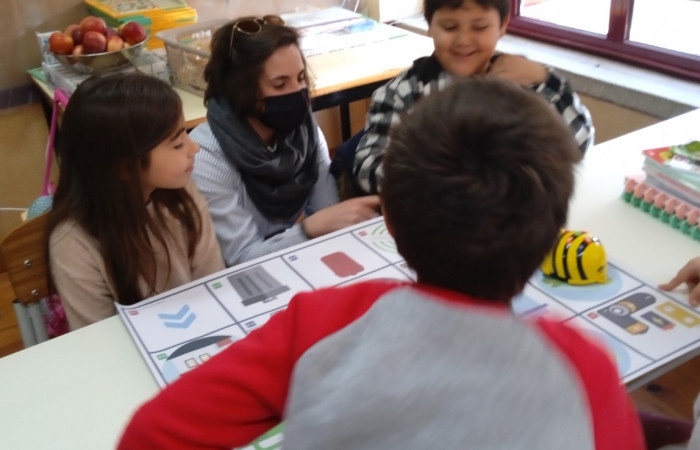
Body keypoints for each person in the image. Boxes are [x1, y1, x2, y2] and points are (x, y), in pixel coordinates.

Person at [118, 78, 642, 449]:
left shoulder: (325, 322)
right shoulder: (584, 368)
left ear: (388, 219)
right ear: (551, 238)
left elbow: (149, 436)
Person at [190, 15, 381, 266]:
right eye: (280, 85)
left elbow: (328, 211)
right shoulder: (207, 156)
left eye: (300, 78)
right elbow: (241, 258)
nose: (297, 93)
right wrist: (308, 229)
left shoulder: (305, 134)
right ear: (240, 90)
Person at [351, 0, 595, 195]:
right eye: (449, 27)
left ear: (502, 25)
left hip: (510, 222)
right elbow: (367, 169)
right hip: (433, 221)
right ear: (430, 24)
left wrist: (545, 80)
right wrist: (440, 180)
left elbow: (578, 145)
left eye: (480, 27)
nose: (464, 41)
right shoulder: (404, 91)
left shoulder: (524, 83)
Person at [47, 73, 225, 330]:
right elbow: (99, 338)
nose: (193, 148)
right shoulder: (74, 243)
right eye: (177, 144)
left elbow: (213, 287)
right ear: (124, 166)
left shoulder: (183, 197)